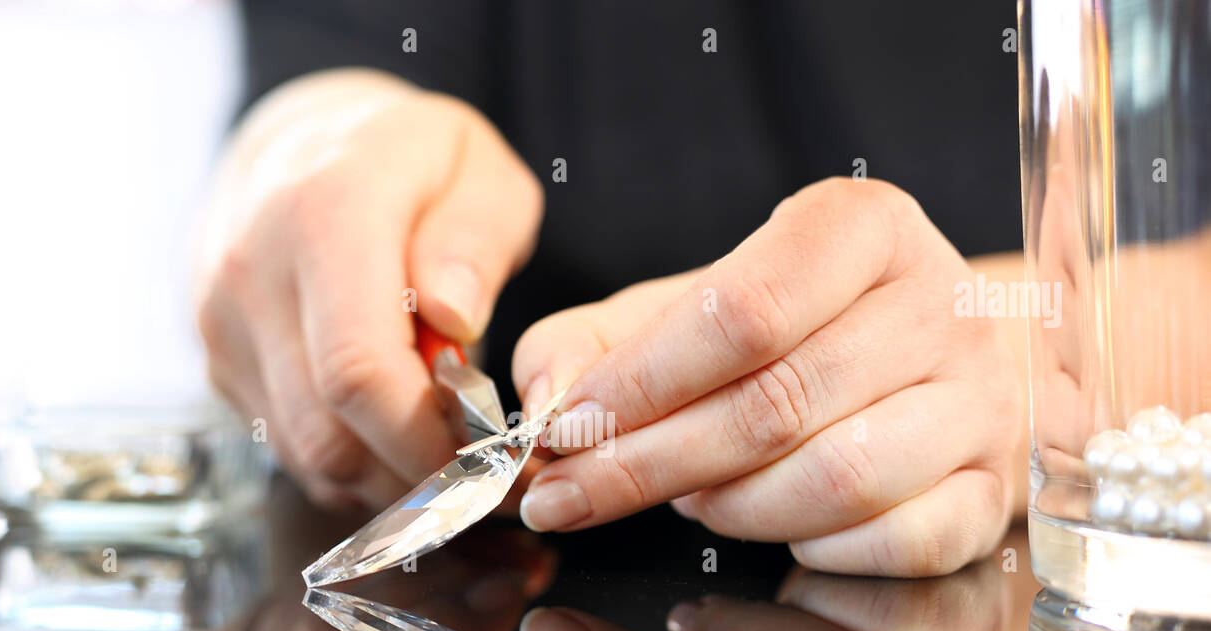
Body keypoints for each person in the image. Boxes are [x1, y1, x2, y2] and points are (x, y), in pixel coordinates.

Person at [196, 0, 1029, 577]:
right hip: (517, 616)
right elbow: (323, 80)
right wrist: (309, 158)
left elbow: (1161, 219)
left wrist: (1040, 360)